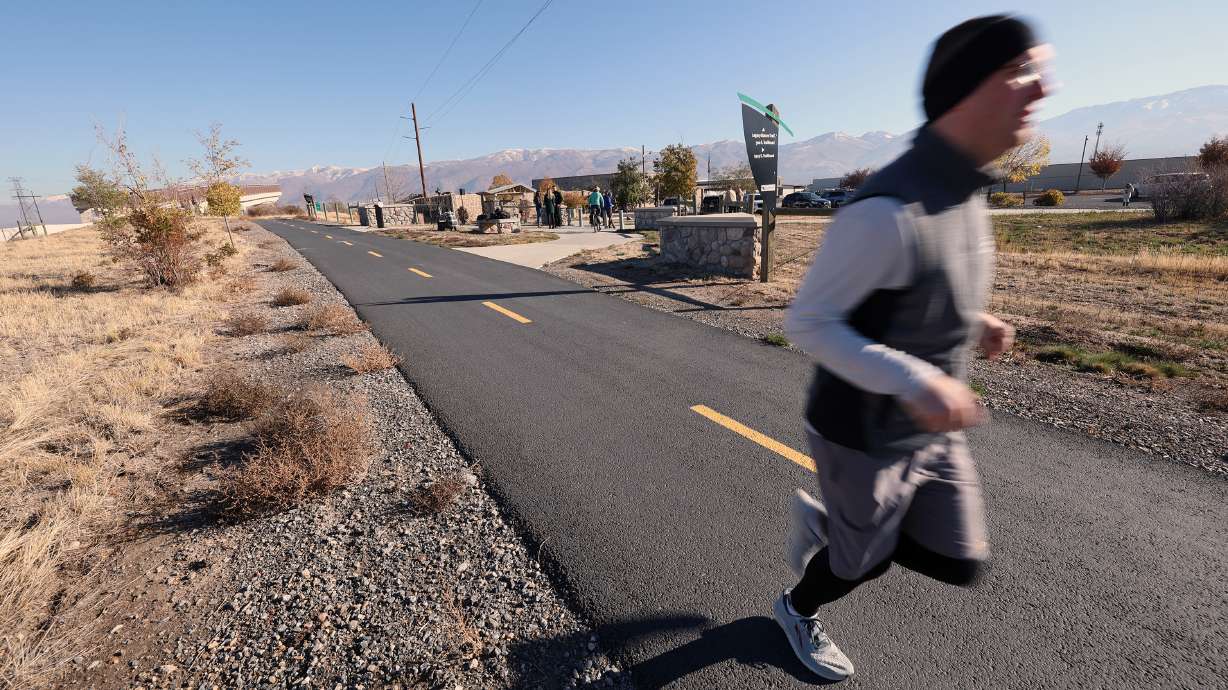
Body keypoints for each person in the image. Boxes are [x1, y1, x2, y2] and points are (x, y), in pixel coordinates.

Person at [775, 15, 1049, 681]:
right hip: (862, 432)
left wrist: (975, 321)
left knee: (960, 560)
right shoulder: (885, 210)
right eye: (1020, 71)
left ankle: (840, 525)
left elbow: (922, 285)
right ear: (968, 89)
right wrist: (914, 381)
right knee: (860, 562)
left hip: (926, 426)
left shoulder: (964, 190)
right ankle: (796, 608)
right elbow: (808, 322)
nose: (1041, 90)